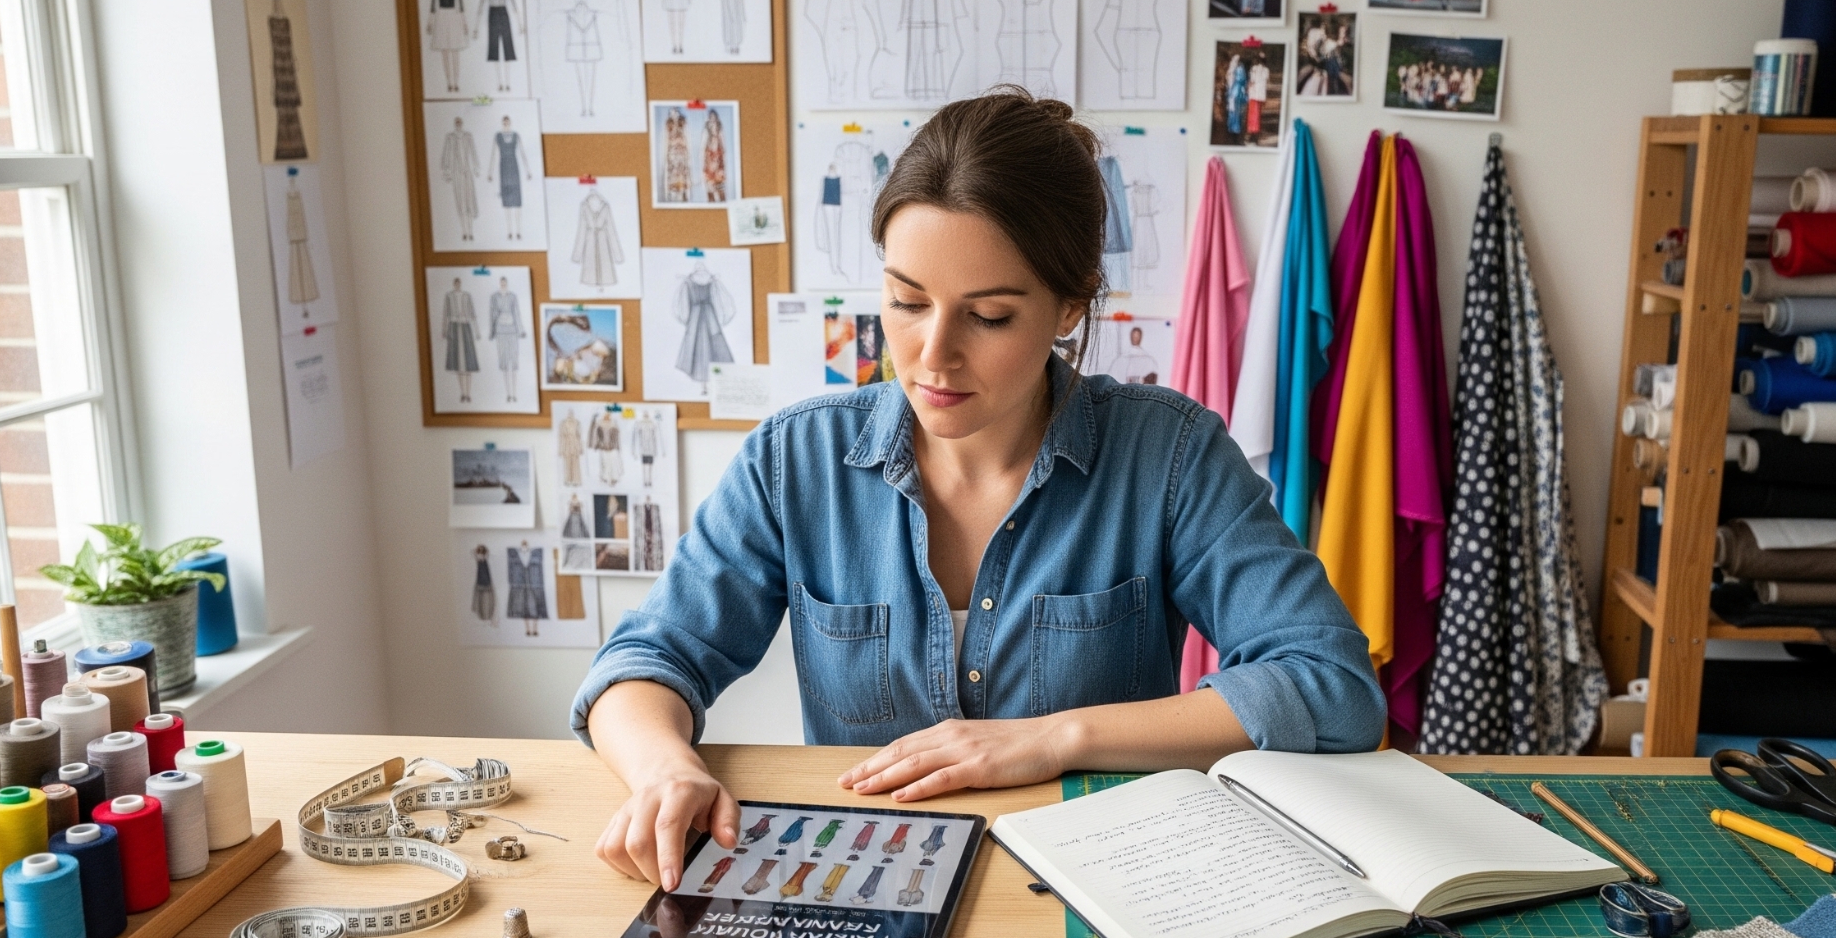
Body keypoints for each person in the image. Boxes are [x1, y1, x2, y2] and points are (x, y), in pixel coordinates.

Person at [576, 88, 1385, 890]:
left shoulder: (1170, 455)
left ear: (1070, 307)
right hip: (861, 879)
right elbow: (643, 663)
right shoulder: (796, 460)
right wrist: (664, 768)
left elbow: (1334, 685)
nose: (933, 354)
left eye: (989, 316)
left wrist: (1055, 738)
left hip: (1101, 888)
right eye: (906, 301)